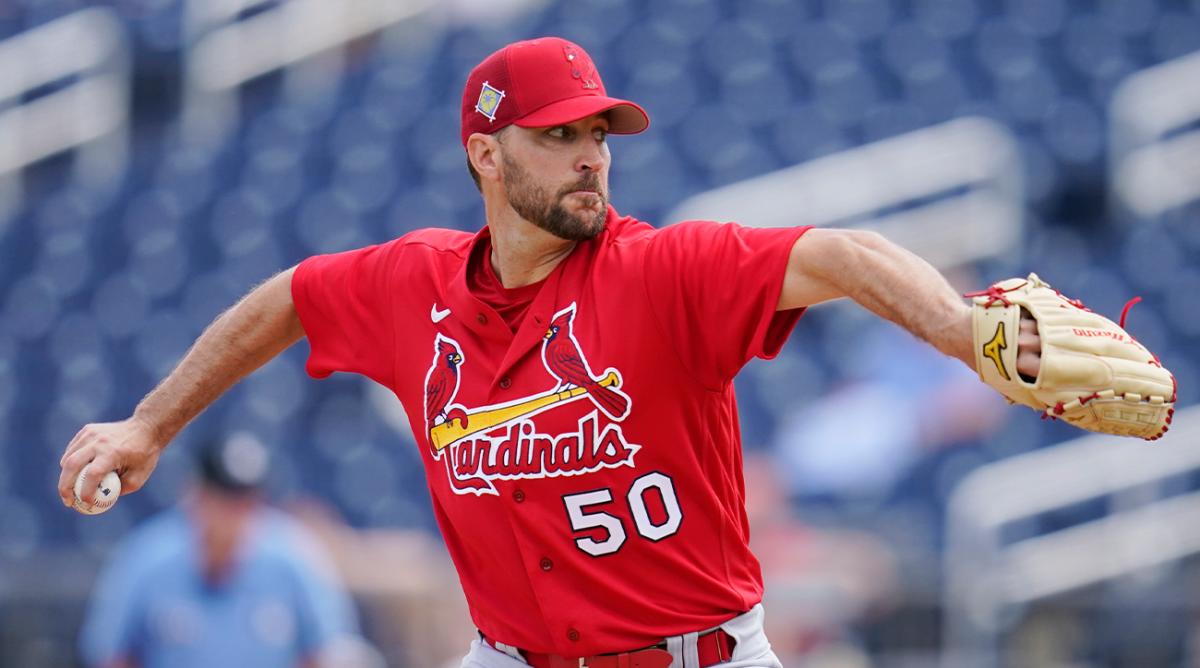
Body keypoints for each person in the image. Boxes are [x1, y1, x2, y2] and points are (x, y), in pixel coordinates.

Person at [59, 36, 1051, 668]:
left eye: (599, 132)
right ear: (485, 155)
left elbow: (842, 253)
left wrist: (965, 335)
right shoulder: (415, 284)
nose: (592, 152)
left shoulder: (664, 270)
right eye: (557, 133)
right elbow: (287, 298)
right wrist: (152, 422)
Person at [77, 433, 366, 668]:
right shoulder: (148, 557)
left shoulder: (294, 556)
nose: (235, 515)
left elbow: (330, 652)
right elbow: (110, 655)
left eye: (244, 501)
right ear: (197, 494)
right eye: (224, 499)